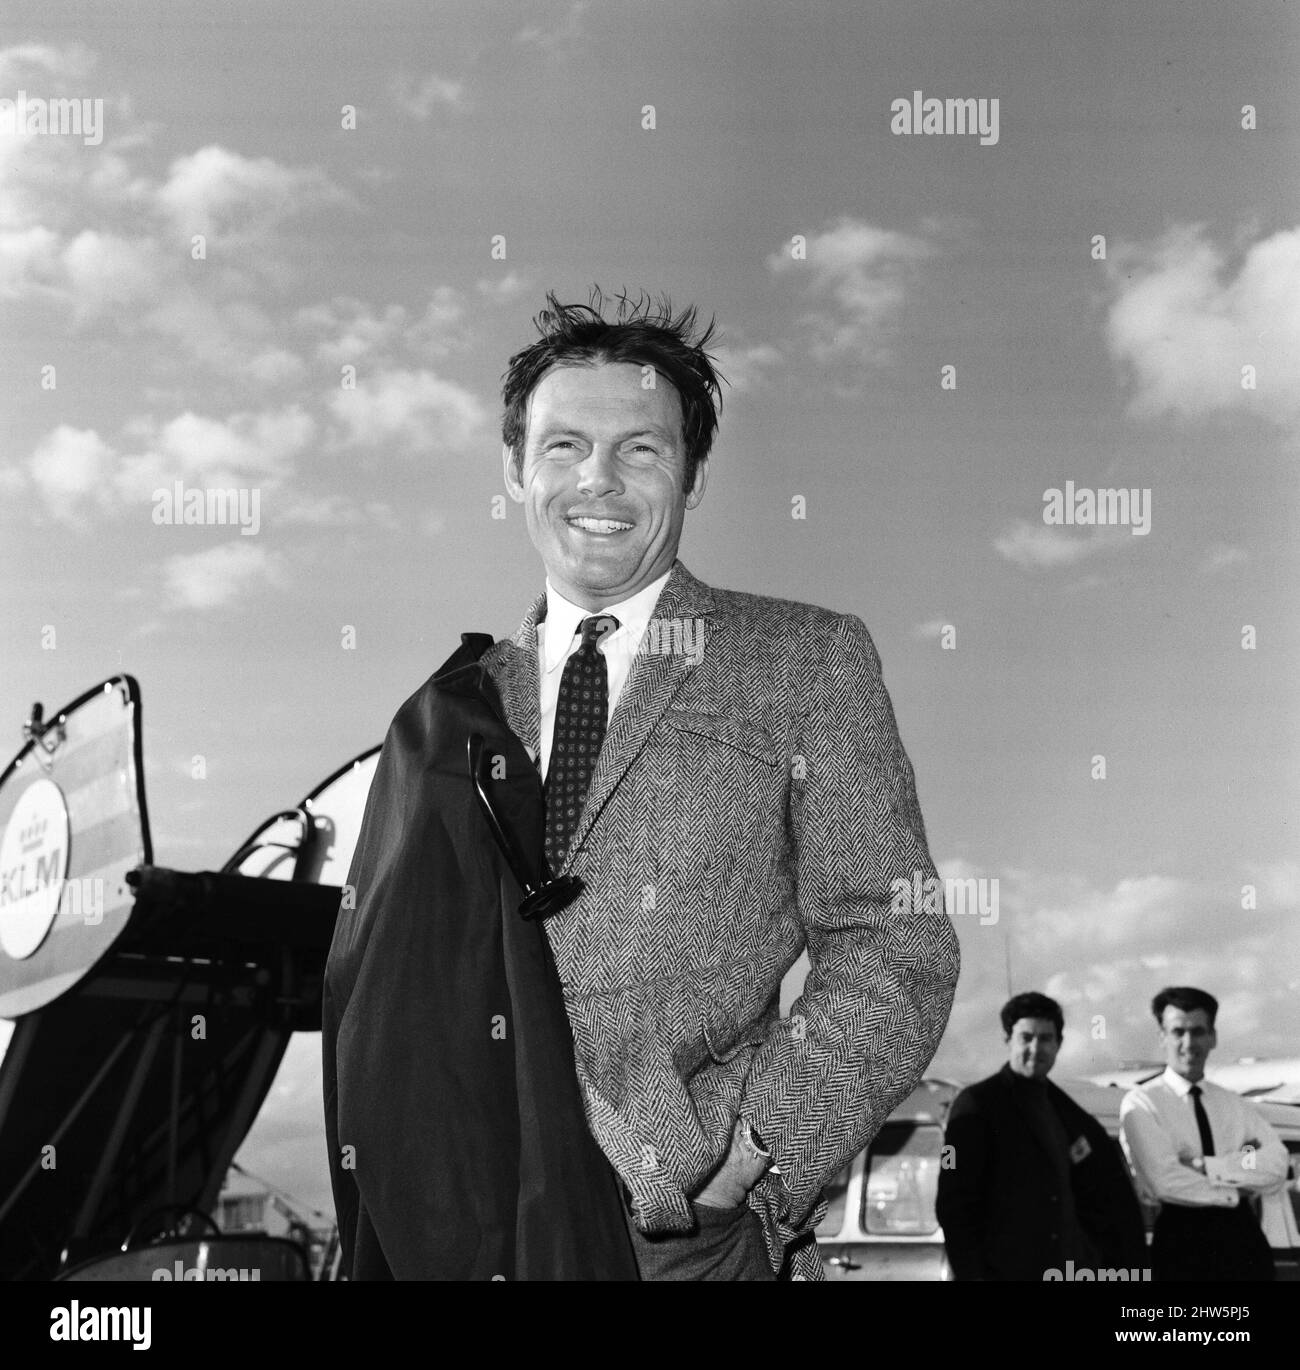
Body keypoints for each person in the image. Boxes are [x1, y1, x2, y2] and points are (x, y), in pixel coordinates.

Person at [324, 288, 959, 1281]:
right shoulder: (445, 712)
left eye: (643, 449)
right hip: (457, 1221)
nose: (600, 481)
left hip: (672, 1228)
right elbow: (376, 987)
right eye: (565, 445)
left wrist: (748, 1163)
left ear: (692, 472)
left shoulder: (803, 657)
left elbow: (894, 937)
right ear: (515, 468)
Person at [936, 992, 1145, 1280]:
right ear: (1008, 1039)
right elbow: (953, 1203)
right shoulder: (976, 1107)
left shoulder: (1072, 1116)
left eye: (1046, 1039)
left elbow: (1109, 1198)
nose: (1036, 1048)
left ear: (1058, 1044)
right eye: (1026, 1037)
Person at [1120, 986, 1288, 1282]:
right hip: (1181, 1245)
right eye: (1177, 1032)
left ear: (1213, 1037)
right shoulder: (1143, 1104)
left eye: (1198, 1032)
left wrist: (1206, 1166)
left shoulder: (1235, 1105)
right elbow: (1166, 1181)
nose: (1188, 1043)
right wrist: (1237, 1186)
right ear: (1162, 1037)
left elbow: (1276, 1165)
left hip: (1244, 1244)